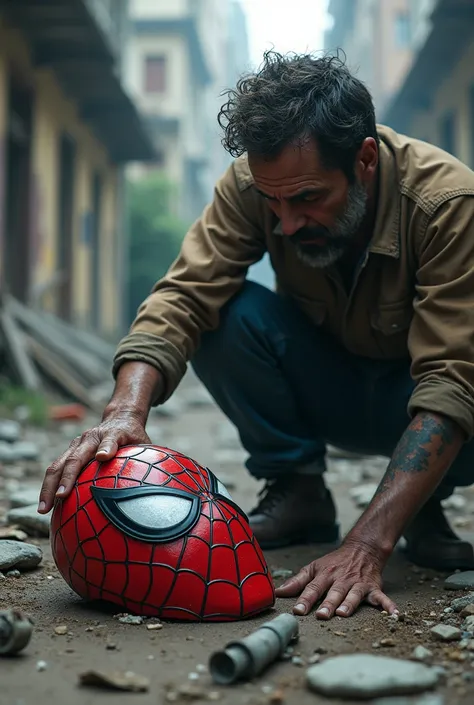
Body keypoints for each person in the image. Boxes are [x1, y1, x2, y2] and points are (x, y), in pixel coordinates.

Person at [38, 52, 474, 621]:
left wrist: (367, 547)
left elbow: (452, 383)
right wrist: (123, 412)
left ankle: (418, 507)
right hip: (336, 392)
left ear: (364, 159)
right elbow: (184, 295)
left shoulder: (448, 205)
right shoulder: (256, 184)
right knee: (226, 308)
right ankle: (300, 494)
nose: (286, 223)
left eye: (307, 199)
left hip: (432, 411)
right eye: (273, 202)